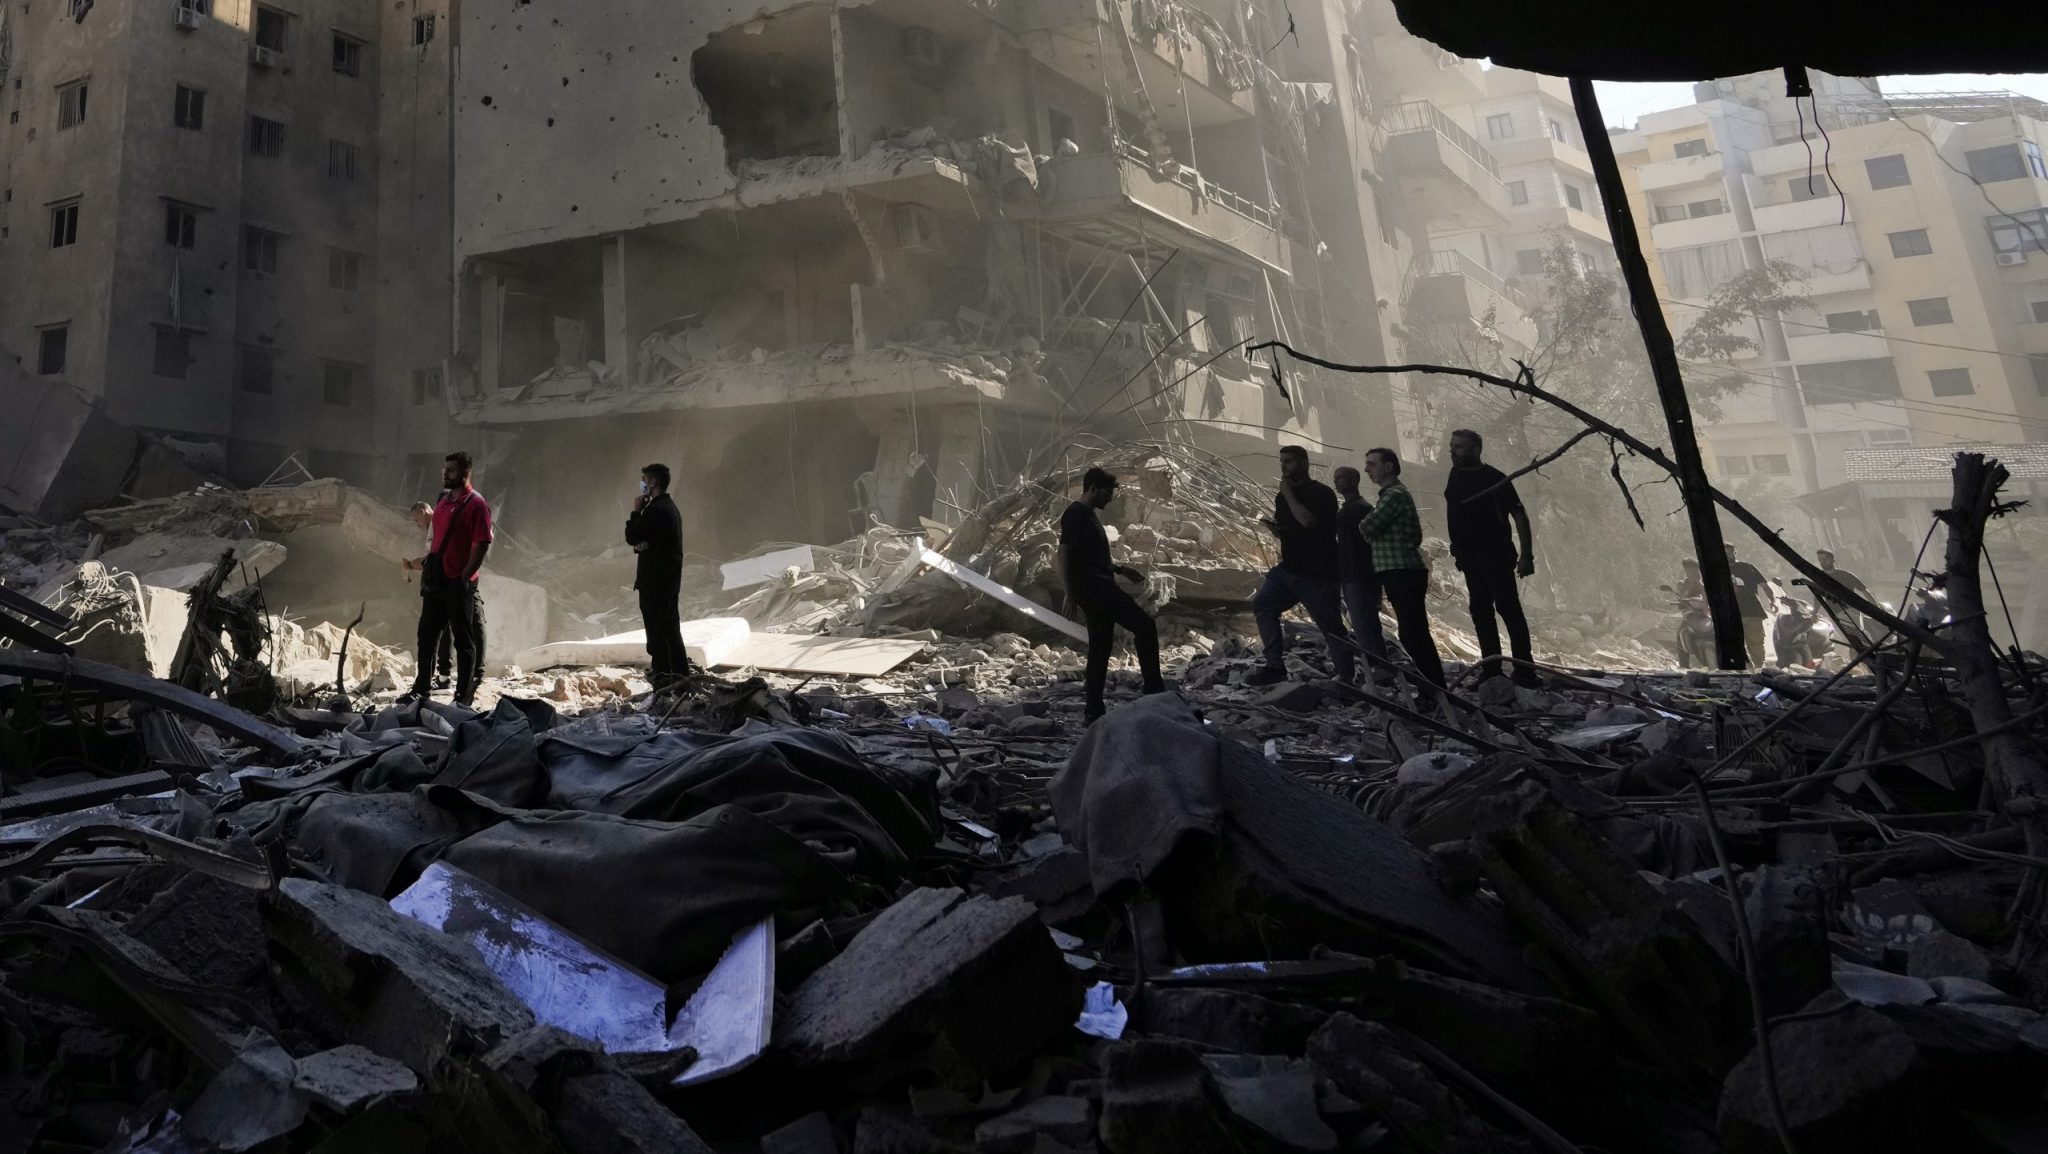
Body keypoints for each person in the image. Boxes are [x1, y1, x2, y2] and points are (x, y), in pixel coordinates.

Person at [1057, 467, 1164, 723]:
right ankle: (1154, 692)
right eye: (1106, 493)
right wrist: (1069, 593)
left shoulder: (1088, 515)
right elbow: (1063, 555)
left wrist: (1121, 569)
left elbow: (1090, 556)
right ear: (1092, 488)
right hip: (1095, 589)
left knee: (1100, 647)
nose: (1110, 498)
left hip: (1097, 586)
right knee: (1145, 626)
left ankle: (1093, 711)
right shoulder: (1075, 514)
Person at [1247, 446, 1355, 687]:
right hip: (1289, 568)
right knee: (1263, 604)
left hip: (1317, 572)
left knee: (1331, 627)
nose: (1284, 467)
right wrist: (1277, 530)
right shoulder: (1283, 497)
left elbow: (1308, 521)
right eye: (1281, 461)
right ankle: (1274, 665)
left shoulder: (1322, 493)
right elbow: (1291, 528)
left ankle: (1347, 677)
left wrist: (1288, 494)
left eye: (1289, 462)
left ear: (1304, 463)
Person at [1443, 429, 1540, 687]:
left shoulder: (1494, 478)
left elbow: (1519, 515)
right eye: (1452, 446)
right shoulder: (1455, 476)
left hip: (1496, 555)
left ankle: (1525, 671)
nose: (1452, 451)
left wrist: (1527, 556)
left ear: (1476, 450)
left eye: (1459, 447)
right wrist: (1458, 550)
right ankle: (1491, 669)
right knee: (1480, 611)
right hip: (1470, 558)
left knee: (1508, 609)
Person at [1358, 447, 1447, 697]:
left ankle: (1435, 691)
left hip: (1402, 572)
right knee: (1413, 632)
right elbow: (1412, 535)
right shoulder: (1393, 495)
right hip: (1402, 572)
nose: (1367, 469)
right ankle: (1435, 690)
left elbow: (1368, 527)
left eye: (1372, 464)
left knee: (1413, 634)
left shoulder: (1394, 495)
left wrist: (1367, 526)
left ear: (1389, 466)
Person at [407, 452, 492, 708]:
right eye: (444, 470)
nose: (446, 474)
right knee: (427, 634)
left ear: (466, 473)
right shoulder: (443, 500)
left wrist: (466, 576)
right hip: (437, 580)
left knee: (463, 639)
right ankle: (421, 689)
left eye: (452, 471)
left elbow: (483, 543)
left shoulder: (477, 505)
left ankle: (462, 696)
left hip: (458, 582)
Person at [625, 463, 690, 692]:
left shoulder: (656, 510)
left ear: (652, 482)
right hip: (667, 580)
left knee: (658, 632)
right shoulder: (668, 508)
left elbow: (632, 537)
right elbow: (645, 542)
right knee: (670, 629)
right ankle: (680, 677)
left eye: (644, 479)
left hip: (656, 582)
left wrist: (635, 510)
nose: (642, 483)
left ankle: (664, 679)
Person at [1332, 466, 1390, 683]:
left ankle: (1380, 668)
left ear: (1354, 480)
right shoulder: (1355, 508)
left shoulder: (1357, 510)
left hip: (1360, 575)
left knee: (1365, 623)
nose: (1336, 481)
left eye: (1341, 478)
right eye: (1336, 478)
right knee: (1363, 622)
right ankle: (1378, 667)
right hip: (1352, 574)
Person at [401, 500, 452, 691]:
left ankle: (426, 682)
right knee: (445, 633)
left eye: (416, 520)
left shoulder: (438, 525)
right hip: (441, 586)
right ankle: (444, 677)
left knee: (428, 634)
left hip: (439, 588)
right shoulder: (436, 526)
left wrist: (415, 564)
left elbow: (434, 558)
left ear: (423, 512)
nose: (417, 524)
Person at [1725, 544, 1773, 667]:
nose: (1727, 555)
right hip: (1730, 613)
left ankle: (1759, 670)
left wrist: (1772, 600)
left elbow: (1765, 586)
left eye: (1729, 552)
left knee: (1755, 643)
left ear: (1735, 553)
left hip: (1752, 612)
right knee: (1736, 644)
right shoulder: (1718, 570)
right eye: (1724, 552)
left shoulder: (1748, 567)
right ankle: (1749, 671)